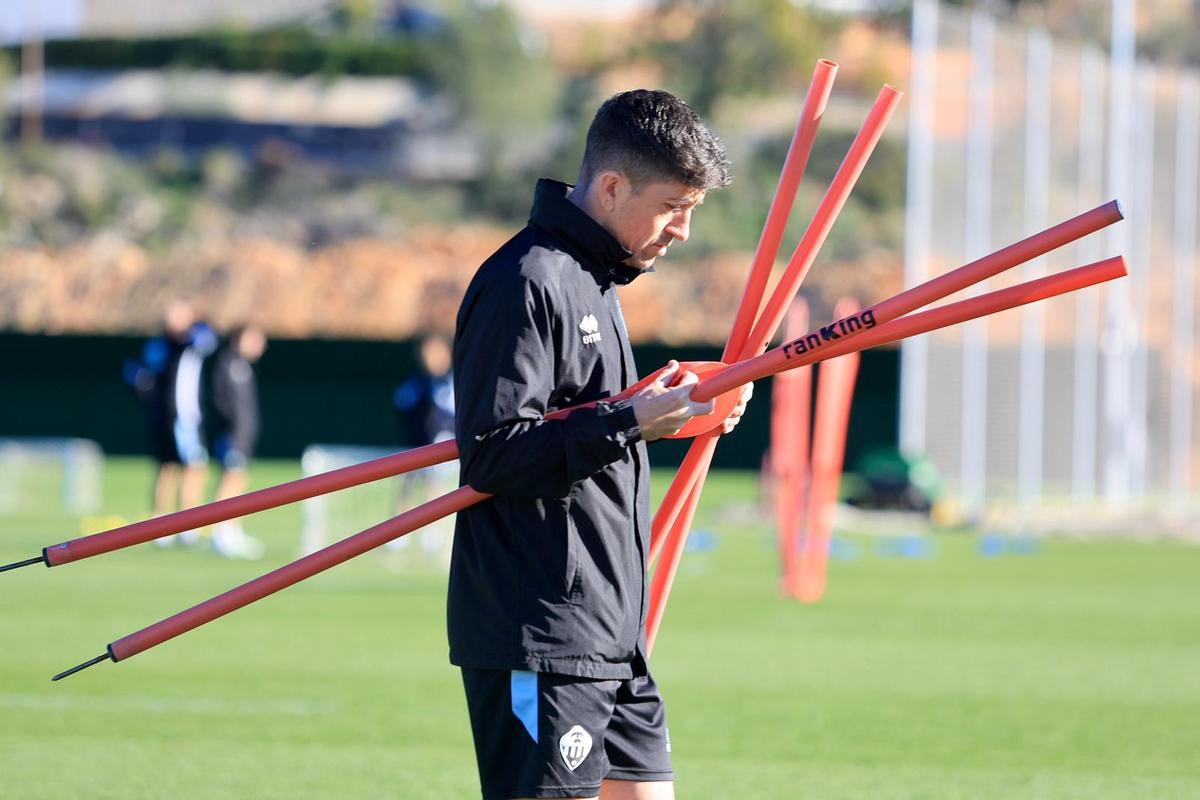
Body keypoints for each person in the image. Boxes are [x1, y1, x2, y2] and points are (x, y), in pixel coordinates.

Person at [449, 90, 752, 800]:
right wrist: (629, 422)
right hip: (542, 631)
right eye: (674, 206)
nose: (682, 231)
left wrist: (683, 410)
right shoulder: (525, 281)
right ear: (613, 187)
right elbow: (492, 451)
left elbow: (592, 426)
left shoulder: (596, 282)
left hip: (614, 633)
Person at [125, 300, 217, 545]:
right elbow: (138, 376)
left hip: (175, 417)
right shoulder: (167, 346)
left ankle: (168, 525)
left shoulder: (189, 342)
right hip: (180, 418)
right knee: (187, 468)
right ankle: (179, 525)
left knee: (175, 468)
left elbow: (208, 337)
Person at [209, 324, 269, 560]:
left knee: (239, 479)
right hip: (231, 436)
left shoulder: (242, 366)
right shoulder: (230, 365)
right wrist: (231, 430)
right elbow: (223, 403)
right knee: (231, 479)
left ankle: (232, 529)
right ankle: (222, 532)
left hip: (241, 436)